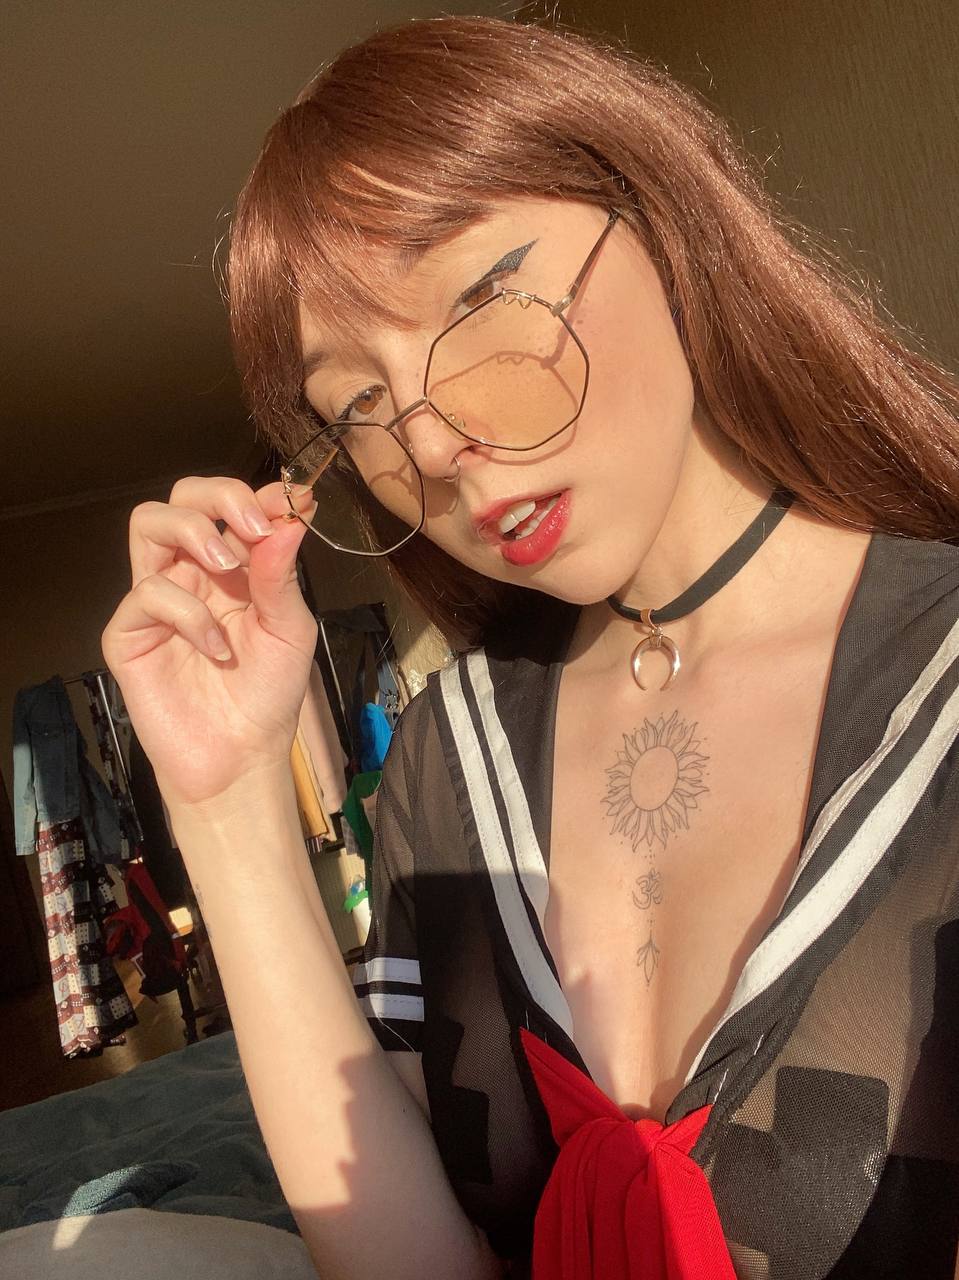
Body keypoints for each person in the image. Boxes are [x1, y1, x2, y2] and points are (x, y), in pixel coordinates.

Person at [102, 15, 959, 1280]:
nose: (430, 443)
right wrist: (223, 802)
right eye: (358, 404)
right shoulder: (450, 755)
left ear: (661, 219)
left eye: (479, 300)